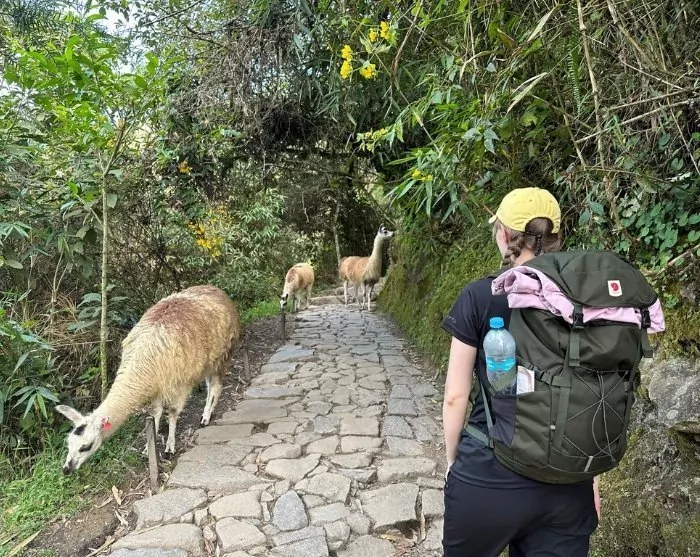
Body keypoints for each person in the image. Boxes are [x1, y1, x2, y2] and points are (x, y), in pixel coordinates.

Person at [441, 187, 600, 557]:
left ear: (503, 234)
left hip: (489, 474)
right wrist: (591, 476)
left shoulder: (479, 296)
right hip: (567, 481)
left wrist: (453, 464)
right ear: (557, 237)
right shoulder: (584, 301)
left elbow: (455, 397)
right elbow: (590, 392)